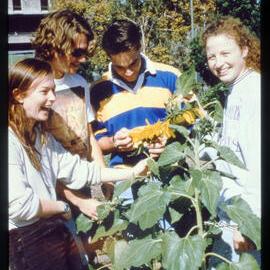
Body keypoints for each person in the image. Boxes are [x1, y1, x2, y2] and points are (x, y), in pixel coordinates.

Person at [8, 58, 148, 270]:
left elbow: (79, 170)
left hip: (48, 230)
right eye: (44, 92)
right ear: (19, 95)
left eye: (53, 91)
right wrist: (61, 207)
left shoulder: (40, 136)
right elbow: (21, 206)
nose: (52, 98)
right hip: (24, 239)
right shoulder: (9, 141)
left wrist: (131, 173)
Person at [32, 9, 113, 221]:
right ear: (55, 46)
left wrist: (106, 178)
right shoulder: (32, 90)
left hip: (82, 185)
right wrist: (76, 200)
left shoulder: (78, 83)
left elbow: (88, 137)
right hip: (49, 196)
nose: (84, 59)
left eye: (85, 52)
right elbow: (38, 160)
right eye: (77, 53)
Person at [90, 19, 181, 202]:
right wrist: (115, 142)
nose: (128, 72)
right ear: (109, 57)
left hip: (173, 173)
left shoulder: (171, 76)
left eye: (133, 63)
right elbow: (95, 141)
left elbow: (192, 120)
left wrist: (168, 136)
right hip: (126, 180)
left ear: (140, 47)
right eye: (119, 67)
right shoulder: (97, 90)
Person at [202, 16, 261, 266]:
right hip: (232, 210)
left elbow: (258, 165)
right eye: (211, 56)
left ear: (245, 50)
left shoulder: (253, 93)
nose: (218, 63)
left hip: (245, 213)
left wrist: (247, 224)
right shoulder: (236, 91)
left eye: (226, 53)